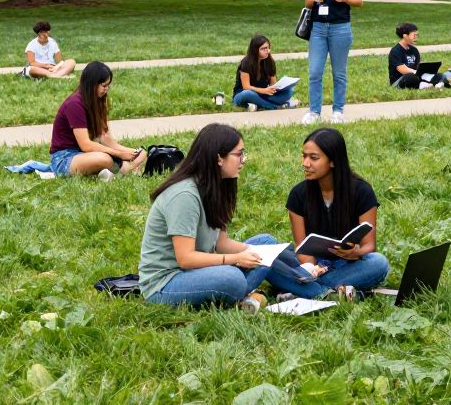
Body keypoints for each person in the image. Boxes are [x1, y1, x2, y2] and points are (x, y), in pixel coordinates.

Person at [139, 124, 306, 311]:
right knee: (232, 279)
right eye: (239, 154)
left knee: (266, 243)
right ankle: (251, 289)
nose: (243, 160)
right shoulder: (184, 195)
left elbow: (221, 244)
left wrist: (259, 253)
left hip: (197, 270)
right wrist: (236, 259)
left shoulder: (216, 187)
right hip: (166, 283)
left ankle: (307, 279)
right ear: (219, 158)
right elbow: (185, 258)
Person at [277, 129, 390, 297]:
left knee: (379, 263)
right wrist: (312, 268)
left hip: (348, 264)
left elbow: (369, 245)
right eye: (304, 156)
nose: (305, 163)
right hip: (314, 265)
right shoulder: (298, 195)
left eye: (314, 158)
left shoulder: (362, 191)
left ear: (333, 161)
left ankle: (307, 288)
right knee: (271, 252)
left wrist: (356, 252)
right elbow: (302, 248)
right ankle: (328, 290)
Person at [302, 0, 362, 125]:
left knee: (339, 74)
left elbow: (359, 1)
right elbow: (307, 1)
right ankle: (314, 112)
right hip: (318, 28)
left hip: (340, 28)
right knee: (315, 72)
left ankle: (338, 112)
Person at [49, 61, 146, 178]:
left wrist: (131, 152)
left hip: (84, 154)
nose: (107, 89)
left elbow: (106, 139)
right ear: (92, 84)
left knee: (142, 153)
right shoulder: (74, 104)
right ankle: (125, 170)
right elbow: (86, 145)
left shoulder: (98, 101)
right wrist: (119, 154)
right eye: (104, 85)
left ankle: (118, 170)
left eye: (108, 85)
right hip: (64, 158)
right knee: (104, 159)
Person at [232, 34, 299, 111]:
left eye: (267, 48)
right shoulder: (246, 62)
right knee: (249, 94)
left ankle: (257, 105)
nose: (266, 51)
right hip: (244, 94)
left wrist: (280, 88)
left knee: (289, 91)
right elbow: (246, 87)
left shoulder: (270, 62)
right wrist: (264, 90)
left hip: (263, 94)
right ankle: (277, 106)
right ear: (255, 50)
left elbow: (273, 84)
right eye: (263, 49)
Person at [388, 22, 444, 89]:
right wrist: (415, 72)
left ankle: (429, 84)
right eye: (414, 35)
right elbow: (402, 69)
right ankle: (425, 84)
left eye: (417, 35)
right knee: (411, 77)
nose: (416, 37)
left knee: (439, 75)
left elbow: (418, 66)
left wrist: (425, 71)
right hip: (400, 79)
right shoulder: (395, 51)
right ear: (405, 36)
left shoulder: (414, 50)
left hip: (416, 76)